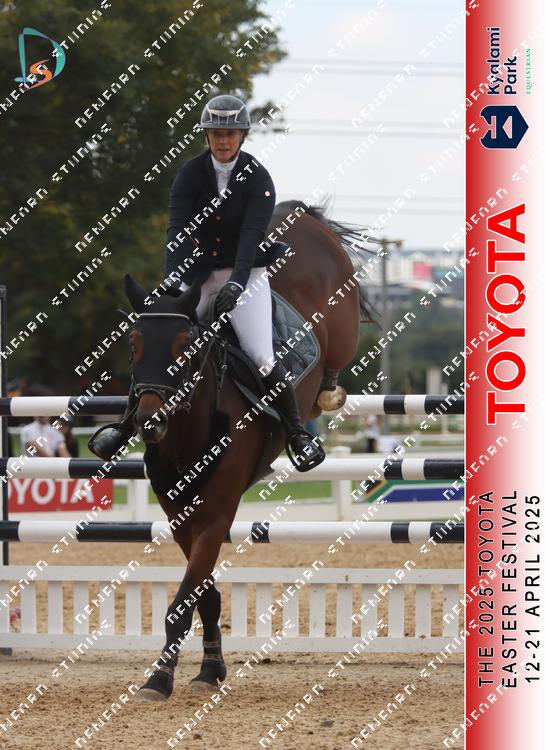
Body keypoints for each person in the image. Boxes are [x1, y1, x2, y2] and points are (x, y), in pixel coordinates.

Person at [89, 94, 325, 472]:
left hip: (247, 274)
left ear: (242, 136)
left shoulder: (258, 178)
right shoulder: (189, 174)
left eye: (230, 134)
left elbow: (250, 239)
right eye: (216, 133)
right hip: (199, 274)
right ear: (206, 136)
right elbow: (178, 232)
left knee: (261, 355)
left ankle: (297, 433)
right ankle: (124, 426)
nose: (223, 140)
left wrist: (236, 284)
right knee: (162, 337)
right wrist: (172, 283)